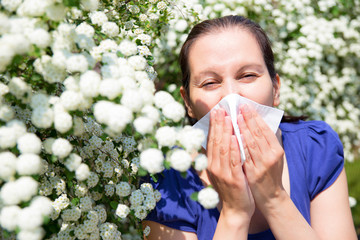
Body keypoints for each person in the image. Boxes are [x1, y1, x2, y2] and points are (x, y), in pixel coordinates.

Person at [142, 15, 357, 240]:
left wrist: (274, 199)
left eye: (247, 76)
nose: (231, 95)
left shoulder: (315, 148)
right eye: (210, 82)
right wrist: (234, 213)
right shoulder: (166, 179)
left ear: (275, 88)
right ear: (188, 103)